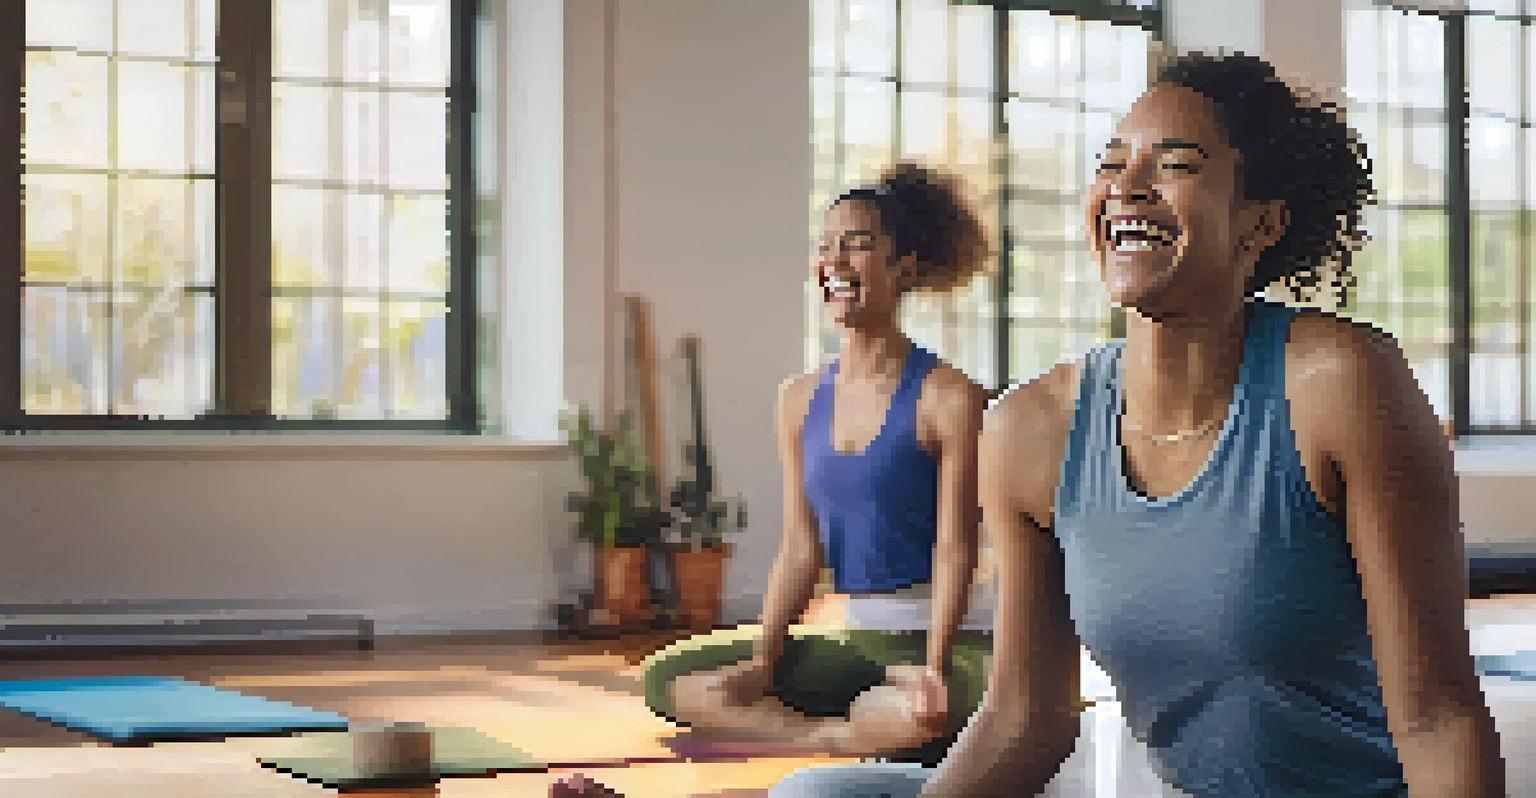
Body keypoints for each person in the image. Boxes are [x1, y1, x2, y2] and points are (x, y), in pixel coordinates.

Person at [769, 51, 1507, 798]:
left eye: (1175, 165)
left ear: (1261, 222)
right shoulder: (1031, 429)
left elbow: (1436, 717)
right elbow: (1027, 716)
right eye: (1111, 163)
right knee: (819, 794)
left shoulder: (1339, 382)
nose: (1126, 187)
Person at [634, 161, 997, 766]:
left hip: (953, 641)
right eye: (824, 245)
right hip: (856, 637)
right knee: (668, 679)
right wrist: (764, 658)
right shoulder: (798, 399)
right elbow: (802, 549)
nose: (834, 260)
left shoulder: (949, 396)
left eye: (856, 245)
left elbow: (956, 550)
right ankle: (829, 737)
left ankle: (873, 719)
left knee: (919, 714)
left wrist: (932, 668)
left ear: (902, 268)